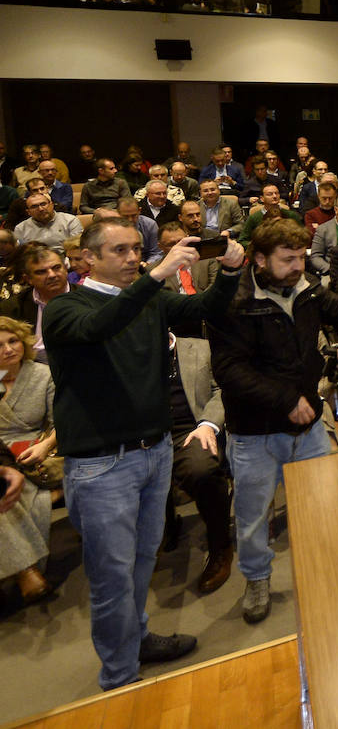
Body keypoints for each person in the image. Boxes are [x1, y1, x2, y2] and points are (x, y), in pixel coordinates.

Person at [45, 217, 245, 689]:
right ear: (88, 259)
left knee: (139, 562)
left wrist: (233, 272)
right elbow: (100, 325)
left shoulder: (150, 298)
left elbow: (204, 308)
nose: (134, 257)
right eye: (120, 251)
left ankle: (137, 639)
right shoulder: (65, 309)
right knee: (112, 578)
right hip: (101, 464)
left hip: (153, 451)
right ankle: (118, 678)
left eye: (137, 249)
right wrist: (156, 275)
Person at [207, 218, 338, 624]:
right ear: (259, 259)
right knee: (253, 514)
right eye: (288, 259)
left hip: (308, 424)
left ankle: (323, 570)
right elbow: (229, 371)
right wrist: (285, 399)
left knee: (319, 505)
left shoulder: (306, 287)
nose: (298, 266)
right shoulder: (232, 303)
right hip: (255, 430)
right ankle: (257, 577)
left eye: (301, 257)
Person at [165, 334, 235, 594]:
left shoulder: (201, 347)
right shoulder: (130, 353)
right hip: (147, 435)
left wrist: (208, 424)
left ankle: (220, 546)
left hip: (192, 429)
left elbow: (222, 389)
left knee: (201, 469)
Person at [0, 317, 58, 605]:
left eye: (12, 341)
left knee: (8, 492)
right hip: (1, 455)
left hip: (36, 448)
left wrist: (45, 445)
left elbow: (60, 421)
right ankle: (27, 568)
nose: (8, 349)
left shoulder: (42, 375)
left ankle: (22, 569)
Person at [3, 244, 70, 360]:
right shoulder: (11, 308)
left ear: (65, 269)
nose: (52, 275)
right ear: (28, 279)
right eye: (41, 272)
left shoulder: (89, 299)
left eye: (56, 268)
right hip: (31, 367)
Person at [236, 183, 302, 244]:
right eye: (270, 194)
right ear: (262, 198)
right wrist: (256, 248)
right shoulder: (254, 218)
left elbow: (302, 236)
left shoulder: (291, 215)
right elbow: (242, 240)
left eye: (277, 193)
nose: (274, 196)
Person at [15, 191, 82, 248]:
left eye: (43, 204)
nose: (40, 209)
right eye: (34, 206)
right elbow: (22, 254)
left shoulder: (70, 221)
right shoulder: (21, 228)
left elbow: (76, 247)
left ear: (52, 205)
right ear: (28, 212)